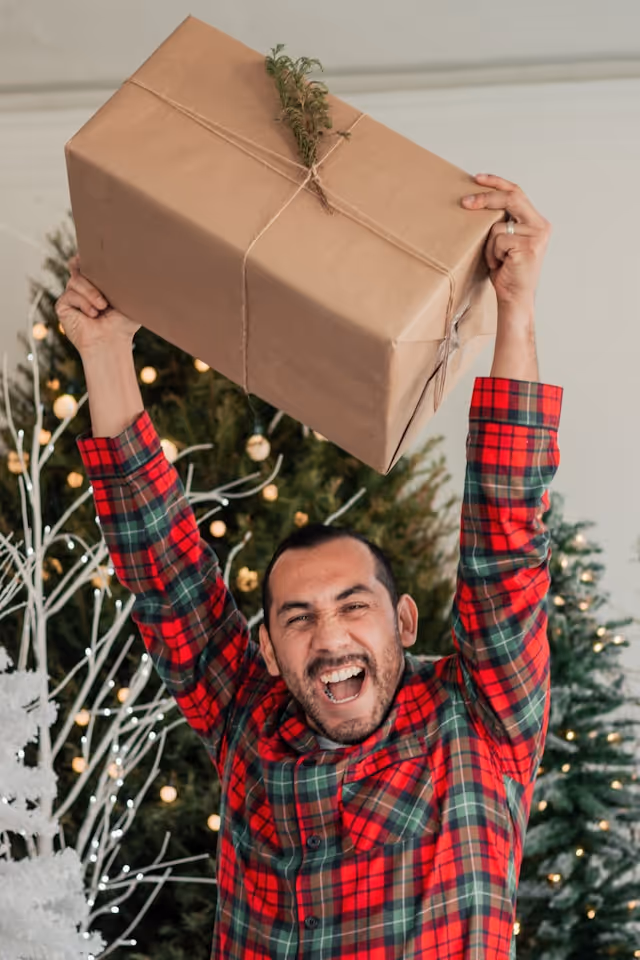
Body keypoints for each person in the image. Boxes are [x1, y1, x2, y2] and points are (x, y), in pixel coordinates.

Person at [56, 173, 563, 959]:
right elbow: (164, 571)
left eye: (353, 606)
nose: (329, 637)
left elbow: (506, 537)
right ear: (266, 647)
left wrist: (516, 308)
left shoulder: (478, 720)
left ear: (403, 620)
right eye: (298, 618)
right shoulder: (247, 724)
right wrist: (104, 348)